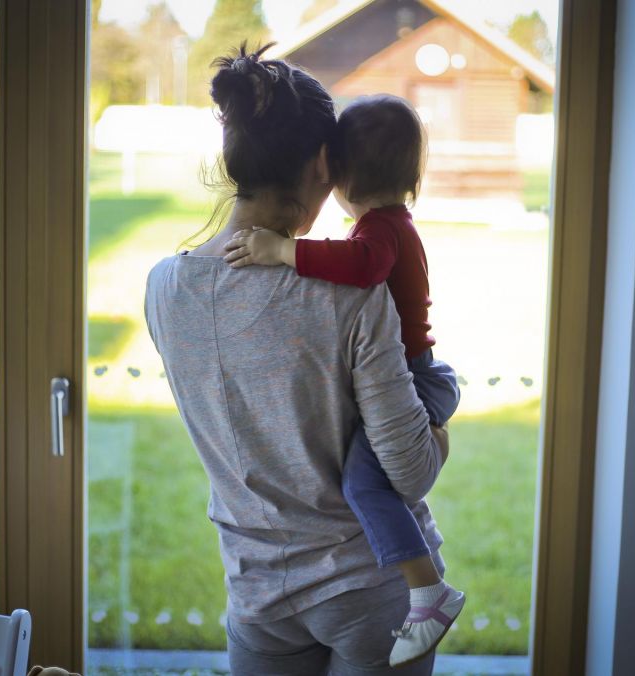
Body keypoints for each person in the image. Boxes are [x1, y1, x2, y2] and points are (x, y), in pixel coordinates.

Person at [145, 43, 449, 674]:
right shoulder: (350, 299)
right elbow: (410, 470)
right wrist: (440, 429)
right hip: (374, 594)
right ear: (321, 163)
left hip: (256, 595)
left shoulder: (163, 288)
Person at [223, 93, 465, 667]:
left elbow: (362, 268)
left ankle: (429, 592)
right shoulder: (391, 223)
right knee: (365, 480)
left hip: (414, 378)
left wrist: (283, 250)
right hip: (416, 375)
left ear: (339, 171)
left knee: (365, 485)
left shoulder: (379, 232)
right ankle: (424, 585)